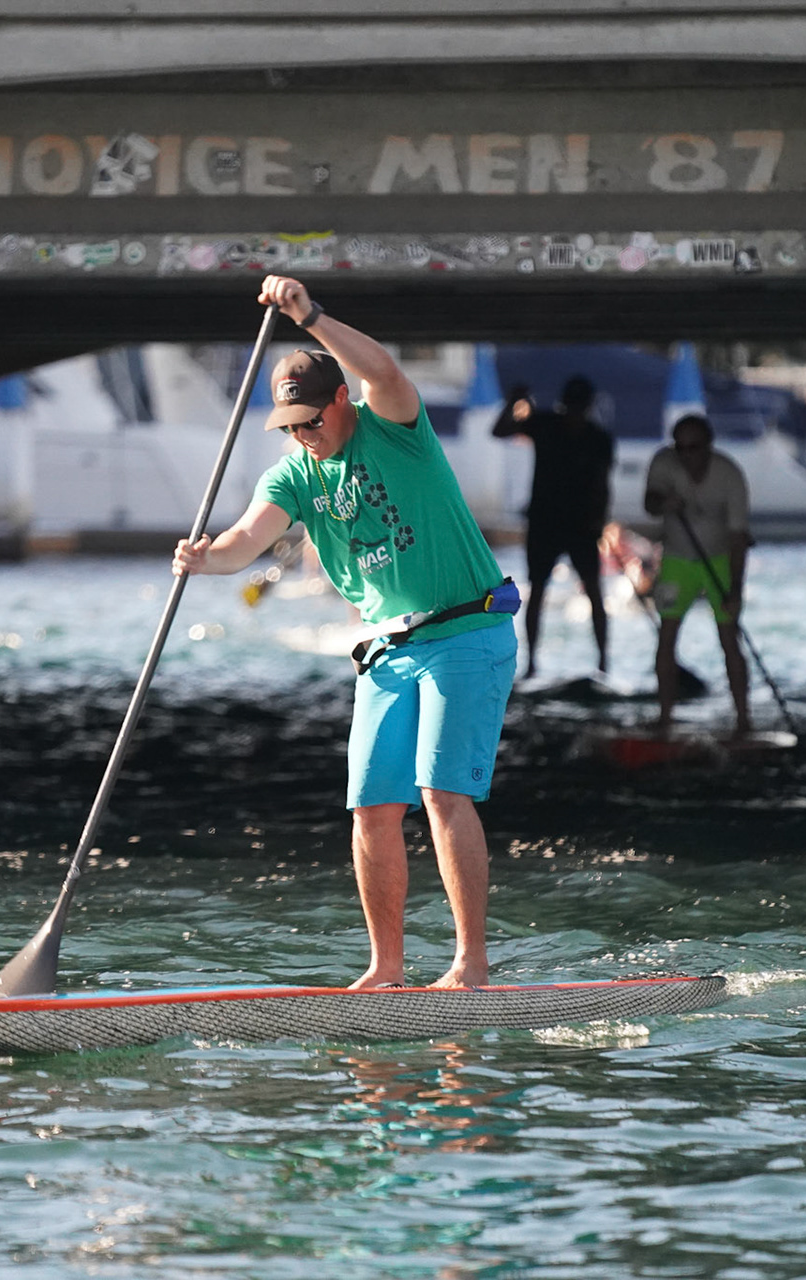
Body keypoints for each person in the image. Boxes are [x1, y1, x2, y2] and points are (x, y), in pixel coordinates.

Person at [174, 276, 517, 990]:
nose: (304, 435)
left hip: (466, 629)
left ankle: (469, 967)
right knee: (370, 807)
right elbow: (245, 540)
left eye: (312, 420)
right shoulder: (295, 474)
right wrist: (208, 559)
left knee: (442, 793)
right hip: (388, 651)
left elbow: (386, 371)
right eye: (291, 427)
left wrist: (312, 316)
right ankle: (386, 969)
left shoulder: (394, 427)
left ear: (340, 402)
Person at [492, 377, 615, 680]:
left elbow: (602, 485)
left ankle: (602, 662)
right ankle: (532, 664)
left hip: (580, 524)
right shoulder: (546, 424)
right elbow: (499, 431)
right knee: (539, 592)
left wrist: (598, 522)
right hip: (546, 522)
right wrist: (512, 402)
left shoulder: (597, 438)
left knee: (592, 592)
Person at [643, 414, 751, 735]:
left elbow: (738, 538)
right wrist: (664, 501)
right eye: (681, 448)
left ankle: (743, 718)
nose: (687, 454)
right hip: (677, 559)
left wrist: (735, 590)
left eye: (694, 447)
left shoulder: (729, 475)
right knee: (667, 636)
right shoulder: (664, 464)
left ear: (708, 446)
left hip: (718, 559)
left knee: (728, 637)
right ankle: (665, 717)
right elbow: (649, 502)